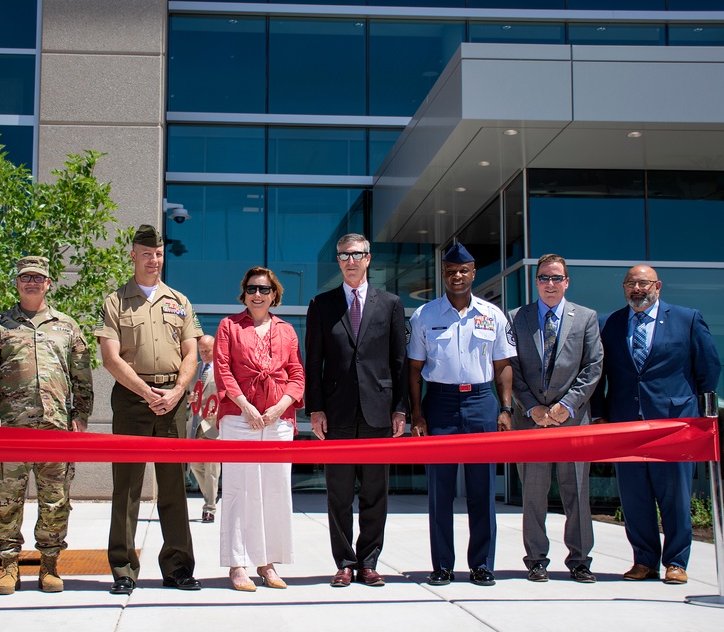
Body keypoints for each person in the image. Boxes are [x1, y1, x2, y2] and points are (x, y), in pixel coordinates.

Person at [0, 256, 93, 595]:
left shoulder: (67, 326)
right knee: (7, 499)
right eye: (26, 277)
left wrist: (80, 415)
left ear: (49, 283)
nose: (32, 283)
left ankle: (49, 565)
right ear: (17, 282)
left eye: (38, 278)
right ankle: (9, 566)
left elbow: (81, 376)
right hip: (10, 429)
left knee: (55, 500)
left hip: (55, 428)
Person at [595, 265, 721, 585]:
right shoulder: (608, 324)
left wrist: (703, 415)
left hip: (674, 424)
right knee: (634, 497)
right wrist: (600, 415)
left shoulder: (687, 318)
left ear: (657, 286)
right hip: (625, 423)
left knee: (674, 495)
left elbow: (708, 368)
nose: (636, 289)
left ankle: (676, 562)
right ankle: (644, 561)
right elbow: (598, 375)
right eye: (630, 284)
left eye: (642, 283)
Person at [96, 224, 203, 595]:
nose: (153, 260)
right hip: (131, 398)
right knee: (126, 487)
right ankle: (124, 568)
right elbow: (110, 358)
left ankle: (178, 568)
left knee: (173, 486)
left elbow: (192, 353)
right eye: (146, 253)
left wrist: (175, 391)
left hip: (173, 402)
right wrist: (146, 391)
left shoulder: (179, 301)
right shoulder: (115, 301)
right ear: (133, 255)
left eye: (158, 254)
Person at [408, 241, 515, 587]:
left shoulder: (492, 315)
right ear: (444, 274)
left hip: (482, 402)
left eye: (464, 271)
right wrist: (417, 413)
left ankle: (482, 565)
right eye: (451, 271)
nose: (457, 276)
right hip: (440, 403)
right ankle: (442, 565)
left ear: (473, 274)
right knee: (440, 490)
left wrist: (505, 408)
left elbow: (502, 365)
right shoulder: (424, 315)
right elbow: (413, 369)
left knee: (481, 488)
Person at [306, 233, 407, 588]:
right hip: (337, 414)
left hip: (379, 412)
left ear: (368, 259)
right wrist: (315, 408)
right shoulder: (321, 304)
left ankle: (369, 561)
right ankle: (345, 562)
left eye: (357, 254)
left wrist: (400, 409)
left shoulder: (391, 304)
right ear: (338, 260)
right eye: (344, 255)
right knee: (338, 493)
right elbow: (313, 361)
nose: (351, 260)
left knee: (375, 493)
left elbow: (399, 361)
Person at [508, 254, 603, 584]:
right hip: (531, 421)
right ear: (536, 282)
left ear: (567, 281)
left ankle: (579, 559)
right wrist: (532, 407)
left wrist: (568, 405)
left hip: (572, 422)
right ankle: (536, 559)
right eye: (545, 278)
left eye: (557, 278)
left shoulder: (587, 318)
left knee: (576, 493)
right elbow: (511, 369)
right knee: (533, 495)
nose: (551, 284)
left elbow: (593, 366)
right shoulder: (517, 318)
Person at [215, 267, 305, 592]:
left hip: (278, 422)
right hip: (240, 419)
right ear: (244, 292)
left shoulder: (287, 330)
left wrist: (280, 407)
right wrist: (247, 407)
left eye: (264, 289)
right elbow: (223, 370)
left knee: (274, 492)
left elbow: (297, 373)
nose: (258, 294)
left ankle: (267, 563)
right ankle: (237, 564)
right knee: (240, 491)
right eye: (252, 288)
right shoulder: (229, 326)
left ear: (274, 294)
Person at [188, 334, 221, 524]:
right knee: (194, 465)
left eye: (207, 351)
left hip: (214, 426)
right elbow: (185, 394)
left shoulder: (222, 370)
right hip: (195, 425)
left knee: (211, 469)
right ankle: (211, 495)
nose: (204, 354)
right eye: (201, 351)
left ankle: (209, 508)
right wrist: (188, 399)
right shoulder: (196, 369)